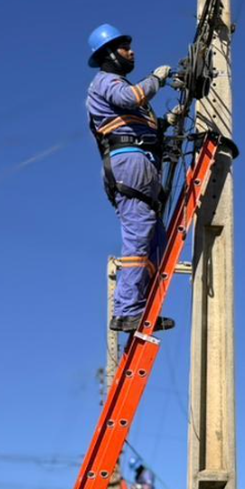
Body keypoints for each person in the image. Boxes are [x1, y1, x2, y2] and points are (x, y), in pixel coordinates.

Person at [85, 23, 180, 332]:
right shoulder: (105, 81)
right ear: (109, 54)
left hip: (140, 162)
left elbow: (136, 122)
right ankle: (128, 310)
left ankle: (144, 307)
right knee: (139, 236)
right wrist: (158, 79)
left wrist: (167, 122)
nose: (132, 51)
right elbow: (131, 98)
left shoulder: (115, 85)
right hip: (129, 163)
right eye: (125, 47)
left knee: (156, 242)